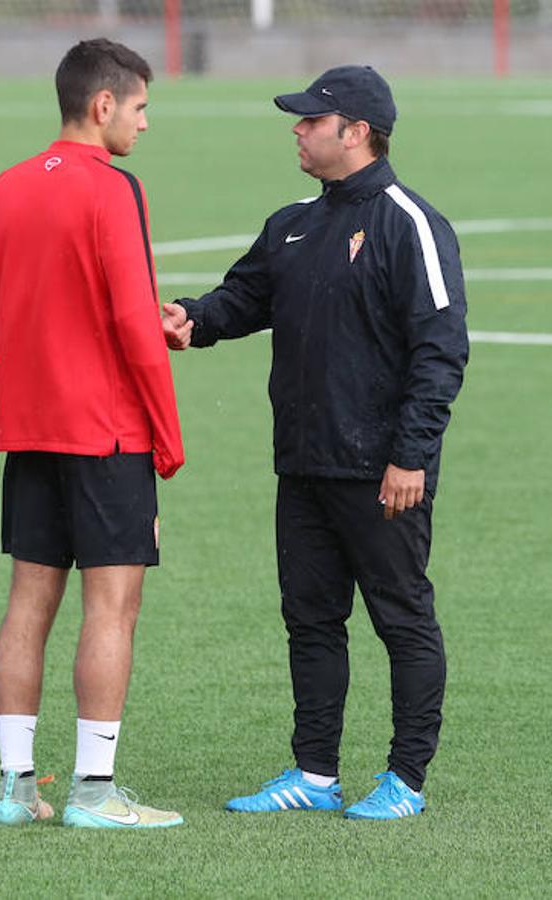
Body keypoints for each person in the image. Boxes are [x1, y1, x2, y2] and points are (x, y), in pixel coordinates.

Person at [162, 65, 468, 821]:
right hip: (302, 463)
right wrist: (191, 321)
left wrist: (410, 456)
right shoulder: (293, 221)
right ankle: (314, 773)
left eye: (309, 120)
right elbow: (243, 299)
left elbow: (441, 350)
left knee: (401, 618)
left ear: (355, 132)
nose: (296, 130)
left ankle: (405, 780)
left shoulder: (411, 224)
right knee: (309, 619)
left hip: (381, 470)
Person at [0, 38, 185, 829]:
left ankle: (16, 789)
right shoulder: (113, 189)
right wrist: (165, 443)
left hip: (32, 430)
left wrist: (35, 390)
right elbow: (137, 324)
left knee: (27, 604)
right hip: (107, 435)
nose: (143, 124)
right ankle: (94, 794)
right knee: (112, 608)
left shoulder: (6, 186)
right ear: (103, 106)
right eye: (139, 108)